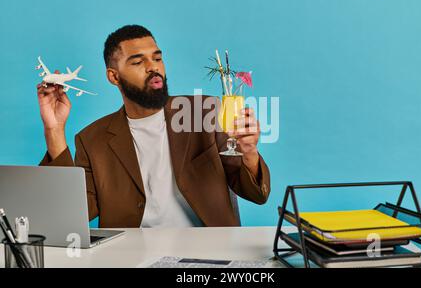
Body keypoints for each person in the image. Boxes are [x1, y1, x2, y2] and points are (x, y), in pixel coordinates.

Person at [37, 25, 270, 228]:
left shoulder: (203, 111)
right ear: (114, 77)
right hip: (131, 256)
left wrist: (249, 153)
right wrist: (54, 131)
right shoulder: (92, 139)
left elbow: (256, 194)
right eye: (138, 62)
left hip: (207, 254)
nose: (153, 67)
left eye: (157, 58)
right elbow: (73, 214)